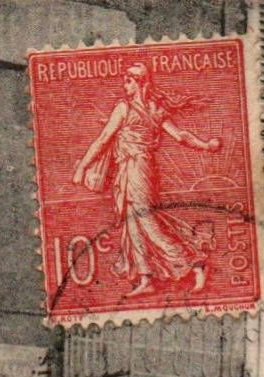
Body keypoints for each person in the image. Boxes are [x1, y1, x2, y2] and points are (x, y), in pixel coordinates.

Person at [71, 62, 220, 296]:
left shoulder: (128, 108)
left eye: (128, 81)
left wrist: (82, 167)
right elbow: (180, 136)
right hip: (129, 169)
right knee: (132, 225)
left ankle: (195, 262)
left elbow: (103, 140)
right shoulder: (151, 109)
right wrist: (206, 145)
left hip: (138, 168)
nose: (125, 85)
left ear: (140, 83)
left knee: (146, 221)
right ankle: (145, 278)